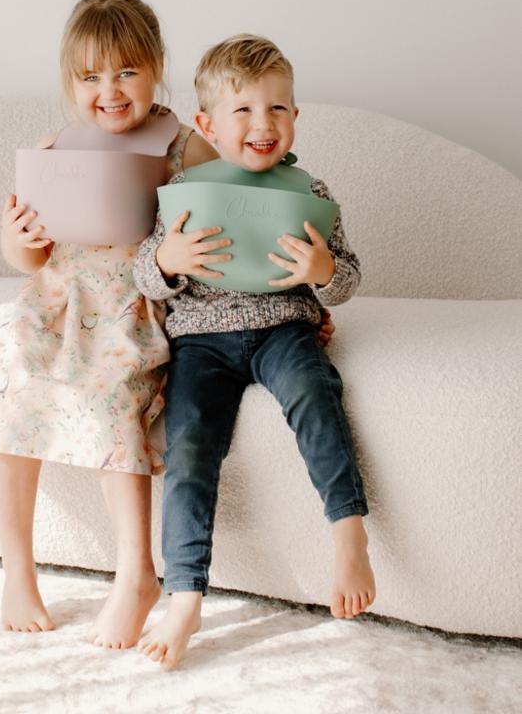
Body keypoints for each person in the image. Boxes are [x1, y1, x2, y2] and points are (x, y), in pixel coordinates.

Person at [0, 0, 218, 646]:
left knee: (117, 400)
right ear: (69, 82)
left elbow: (220, 243)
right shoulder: (58, 146)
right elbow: (27, 257)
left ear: (156, 66)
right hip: (56, 305)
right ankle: (16, 570)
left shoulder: (183, 146)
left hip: (129, 310)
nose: (109, 91)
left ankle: (136, 573)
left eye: (126, 72)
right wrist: (16, 232)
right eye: (90, 77)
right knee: (12, 391)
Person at [132, 34, 376, 670]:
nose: (263, 124)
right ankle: (184, 593)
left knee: (316, 394)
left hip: (284, 328)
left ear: (295, 118)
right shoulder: (186, 187)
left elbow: (347, 278)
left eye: (278, 109)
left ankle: (348, 532)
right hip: (202, 342)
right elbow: (143, 273)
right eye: (243, 111)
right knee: (187, 447)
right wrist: (166, 260)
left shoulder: (309, 189)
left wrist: (323, 269)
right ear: (209, 125)